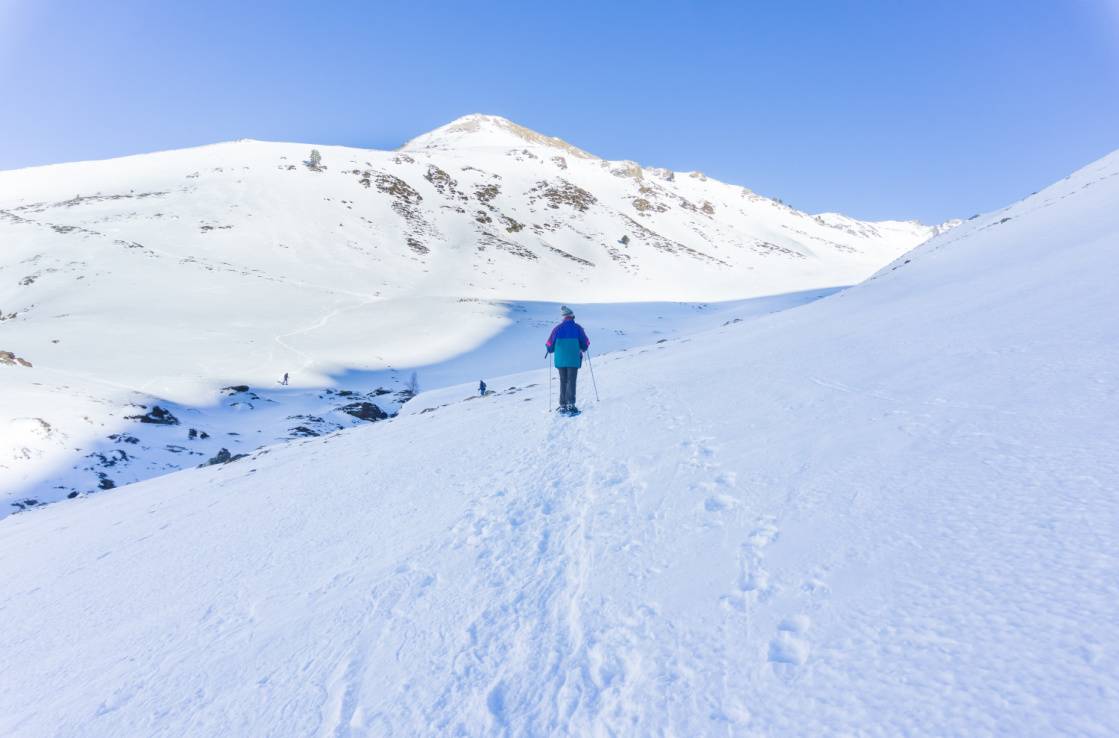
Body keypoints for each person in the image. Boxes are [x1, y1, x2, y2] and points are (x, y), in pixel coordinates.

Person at [545, 305, 590, 413]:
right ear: (572, 316)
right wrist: (583, 347)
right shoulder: (578, 328)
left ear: (563, 317)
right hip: (573, 359)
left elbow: (549, 345)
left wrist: (550, 349)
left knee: (563, 381)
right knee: (571, 381)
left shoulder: (557, 329)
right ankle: (571, 404)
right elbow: (586, 343)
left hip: (560, 360)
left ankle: (563, 405)